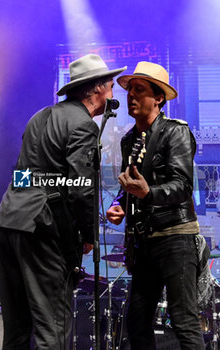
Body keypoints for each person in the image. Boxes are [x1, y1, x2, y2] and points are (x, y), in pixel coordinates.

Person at [0, 54, 126, 350]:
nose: (114, 92)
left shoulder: (39, 116)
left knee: (16, 329)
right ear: (96, 89)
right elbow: (81, 189)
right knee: (52, 327)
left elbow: (23, 176)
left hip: (8, 220)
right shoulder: (83, 125)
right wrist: (88, 235)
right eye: (111, 86)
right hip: (42, 229)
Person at [106, 61, 206, 349]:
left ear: (159, 98)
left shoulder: (176, 132)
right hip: (144, 242)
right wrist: (119, 204)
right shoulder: (129, 139)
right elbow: (131, 186)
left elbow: (182, 186)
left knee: (183, 320)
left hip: (176, 237)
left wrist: (148, 193)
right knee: (136, 321)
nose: (131, 96)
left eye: (140, 90)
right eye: (130, 90)